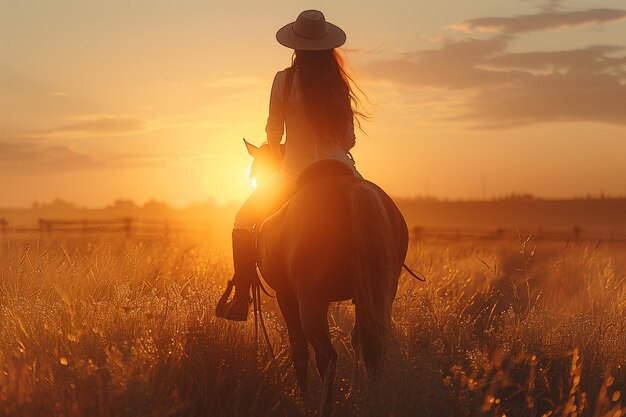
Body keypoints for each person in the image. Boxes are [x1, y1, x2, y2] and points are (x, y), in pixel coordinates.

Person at [216, 10, 365, 321]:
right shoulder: (339, 84)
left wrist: (281, 149)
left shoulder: (283, 81)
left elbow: (273, 131)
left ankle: (241, 296)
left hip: (296, 174)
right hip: (343, 169)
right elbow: (349, 140)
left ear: (295, 47)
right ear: (327, 47)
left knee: (242, 220)